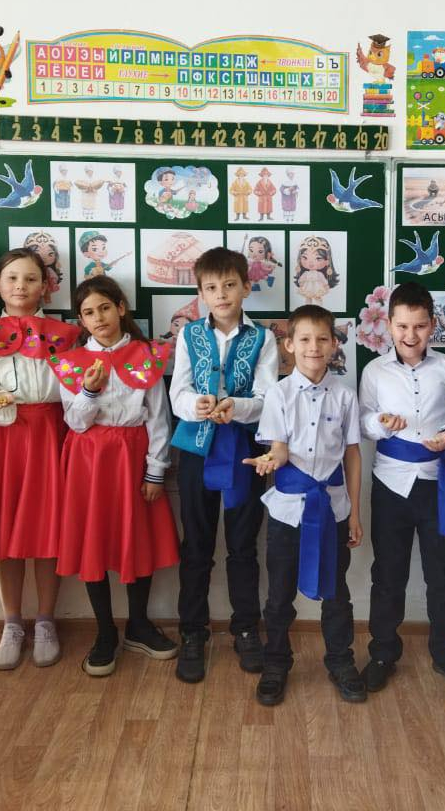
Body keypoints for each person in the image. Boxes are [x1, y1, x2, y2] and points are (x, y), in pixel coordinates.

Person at [53, 277, 180, 676]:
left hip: (133, 457)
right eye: (89, 313)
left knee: (136, 538)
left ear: (121, 308)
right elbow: (75, 422)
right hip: (90, 463)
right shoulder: (72, 363)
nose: (99, 318)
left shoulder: (145, 356)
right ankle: (104, 631)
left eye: (105, 308)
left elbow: (159, 418)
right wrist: (89, 392)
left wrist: (156, 472)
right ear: (81, 321)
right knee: (95, 540)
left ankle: (138, 625)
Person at [244, 305, 364, 706]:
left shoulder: (345, 396)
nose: (314, 347)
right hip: (288, 511)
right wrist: (270, 460)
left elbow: (352, 455)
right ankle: (276, 662)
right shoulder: (278, 394)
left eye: (322, 339)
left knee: (337, 592)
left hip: (333, 509)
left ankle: (340, 661)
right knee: (279, 594)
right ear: (290, 345)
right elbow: (279, 448)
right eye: (305, 339)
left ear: (334, 344)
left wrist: (355, 513)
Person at [168, 248, 278, 683]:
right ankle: (193, 632)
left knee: (243, 545)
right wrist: (195, 405)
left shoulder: (264, 338)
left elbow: (268, 397)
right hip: (196, 452)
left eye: (230, 285)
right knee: (196, 546)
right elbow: (177, 391)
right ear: (200, 293)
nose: (222, 294)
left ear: (246, 287)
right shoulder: (189, 334)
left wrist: (238, 406)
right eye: (211, 288)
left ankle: (246, 628)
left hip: (244, 452)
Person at [358, 282, 445, 693]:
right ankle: (383, 653)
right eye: (402, 326)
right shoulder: (374, 371)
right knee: (388, 573)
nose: (410, 335)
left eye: (419, 326)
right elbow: (363, 421)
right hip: (390, 484)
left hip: (437, 483)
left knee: (444, 574)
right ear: (389, 325)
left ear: (432, 325)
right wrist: (381, 423)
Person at [0, 249, 81, 670]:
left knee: (49, 529)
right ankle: (12, 622)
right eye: (12, 278)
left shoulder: (66, 335)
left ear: (45, 286)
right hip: (4, 437)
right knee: (7, 532)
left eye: (31, 278)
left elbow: (73, 386)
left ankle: (46, 621)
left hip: (52, 433)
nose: (21, 286)